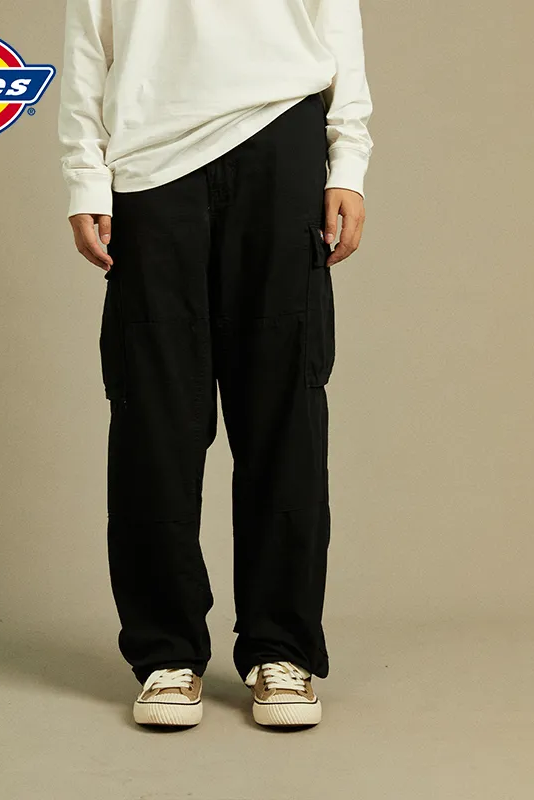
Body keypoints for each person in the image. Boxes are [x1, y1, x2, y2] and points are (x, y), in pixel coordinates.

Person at [57, 0, 373, 728]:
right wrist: (85, 175)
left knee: (284, 410)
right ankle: (166, 653)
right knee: (153, 414)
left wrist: (348, 162)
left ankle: (281, 648)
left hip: (281, 135)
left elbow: (335, 22)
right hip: (149, 158)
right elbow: (88, 43)